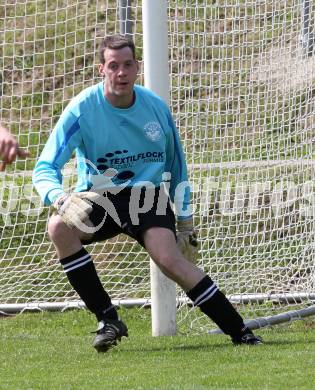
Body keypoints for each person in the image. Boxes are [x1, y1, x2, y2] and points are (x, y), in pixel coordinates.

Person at [33, 34, 262, 352]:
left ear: (137, 67)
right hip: (100, 198)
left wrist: (185, 221)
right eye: (113, 66)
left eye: (127, 65)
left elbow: (176, 167)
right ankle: (108, 319)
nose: (121, 73)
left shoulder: (155, 109)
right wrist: (59, 198)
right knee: (58, 227)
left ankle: (241, 332)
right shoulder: (82, 109)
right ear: (102, 69)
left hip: (147, 197)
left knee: (170, 259)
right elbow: (44, 168)